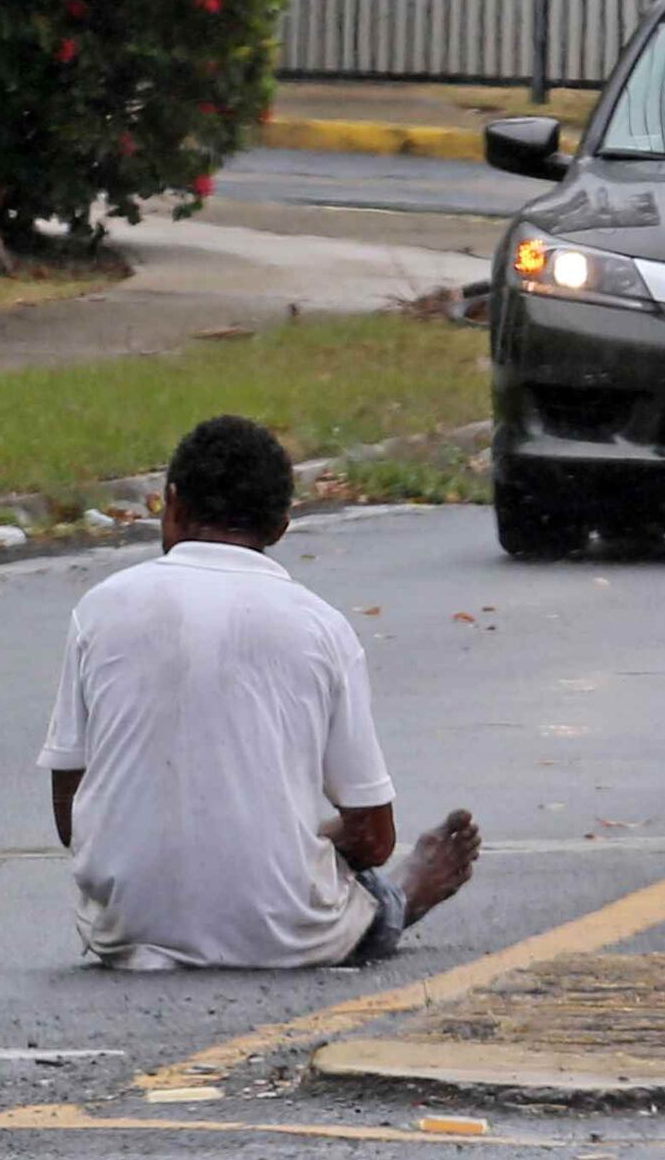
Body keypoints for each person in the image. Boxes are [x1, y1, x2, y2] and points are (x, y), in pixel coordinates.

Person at [36, 416, 479, 971]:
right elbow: (373, 838)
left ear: (170, 504)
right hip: (283, 937)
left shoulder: (99, 608)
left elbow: (70, 817)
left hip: (129, 930)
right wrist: (280, 833)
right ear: (282, 527)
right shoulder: (321, 627)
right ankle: (403, 897)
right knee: (359, 887)